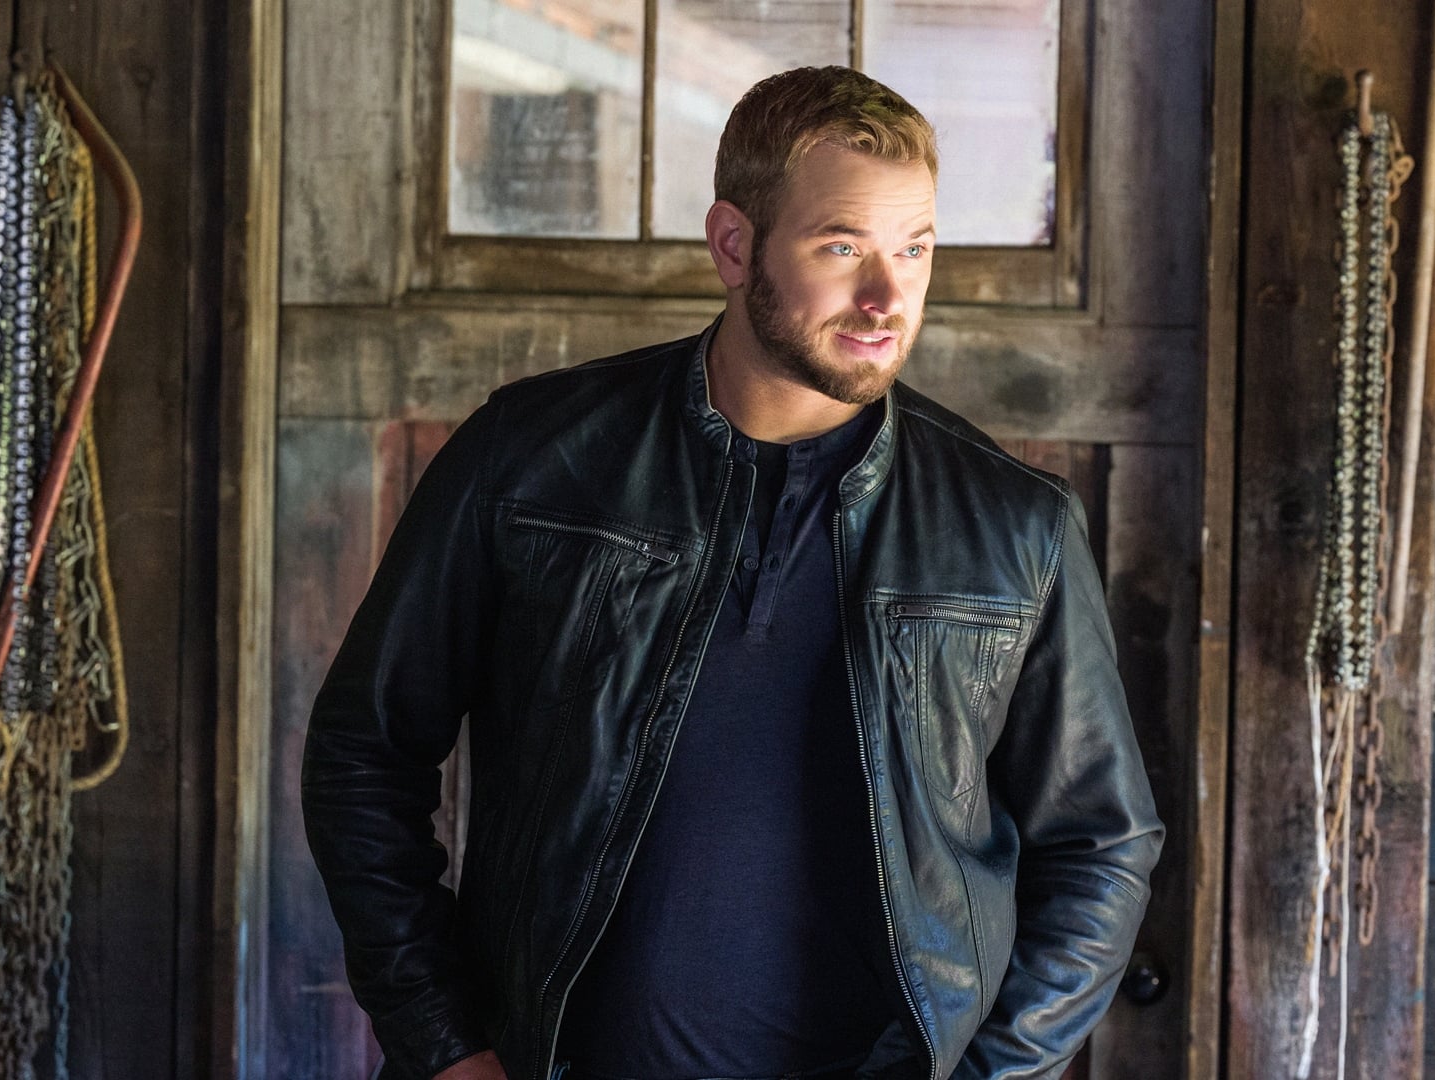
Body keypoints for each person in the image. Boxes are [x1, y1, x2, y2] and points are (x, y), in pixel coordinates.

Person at [301, 65, 1164, 1080]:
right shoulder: (532, 459)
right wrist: (446, 1047)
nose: (887, 297)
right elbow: (364, 751)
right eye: (842, 247)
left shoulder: (1014, 526)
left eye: (914, 249)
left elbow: (1102, 846)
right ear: (732, 244)